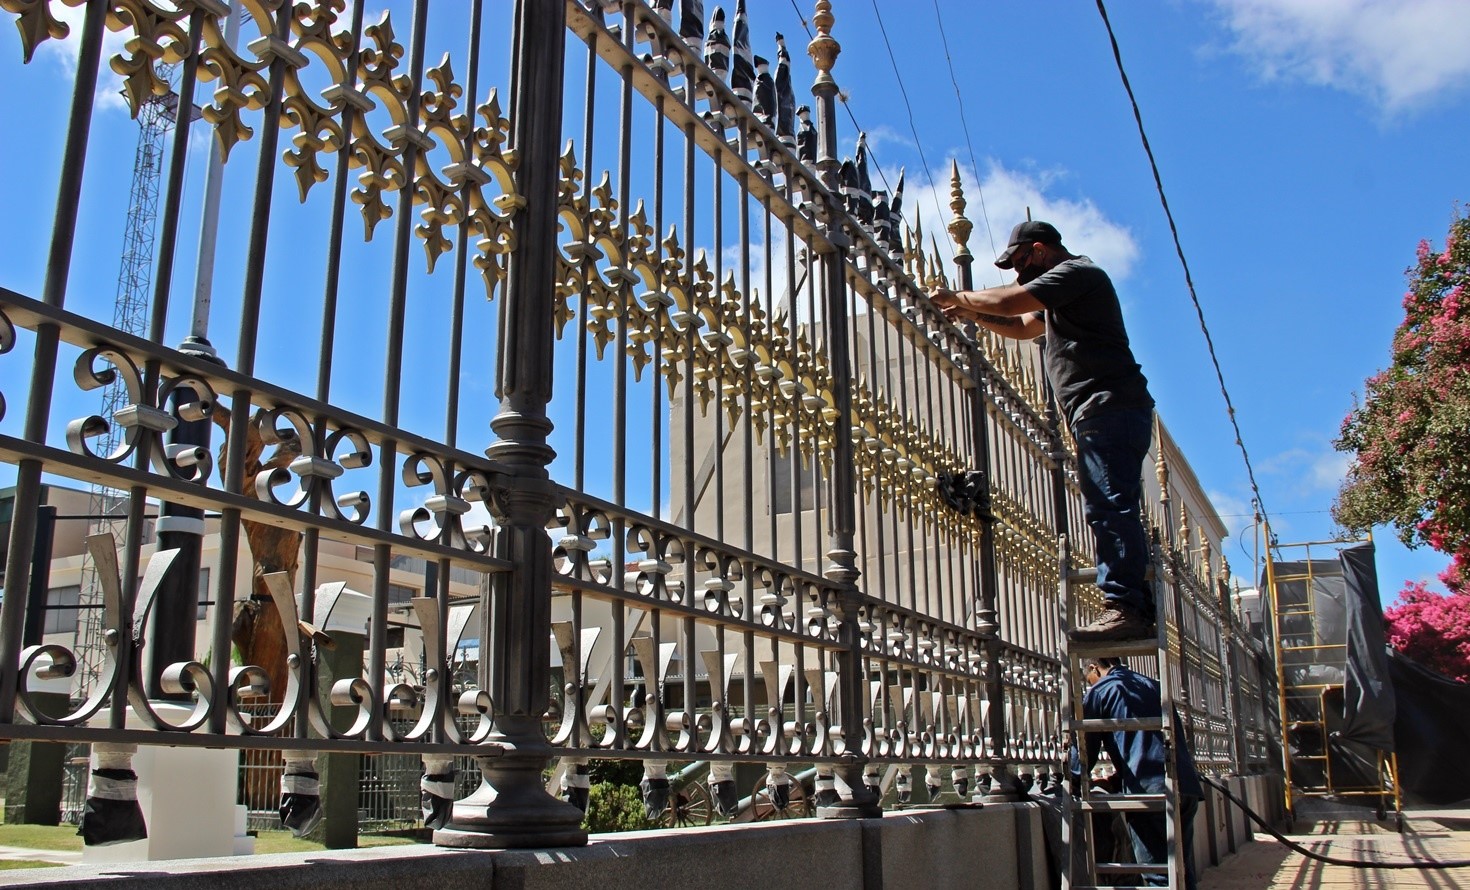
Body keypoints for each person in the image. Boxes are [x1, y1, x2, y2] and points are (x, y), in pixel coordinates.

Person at [929, 220, 1155, 641]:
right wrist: (971, 311)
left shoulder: (1077, 274)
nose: (1017, 273)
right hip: (1103, 410)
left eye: (1019, 262)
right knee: (1112, 505)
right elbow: (1020, 327)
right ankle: (1134, 601)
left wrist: (960, 296)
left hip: (1107, 406)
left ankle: (1125, 604)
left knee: (1109, 506)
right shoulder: (1061, 296)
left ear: (1039, 249)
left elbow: (1013, 302)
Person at [1080, 657, 1202, 890]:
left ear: (1094, 668)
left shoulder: (1101, 690)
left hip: (1151, 793)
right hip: (1185, 786)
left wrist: (1075, 781)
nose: (1090, 684)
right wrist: (1117, 779)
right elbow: (1155, 743)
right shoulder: (1154, 685)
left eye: (1089, 679)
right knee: (1182, 873)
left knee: (1159, 875)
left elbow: (1085, 749)